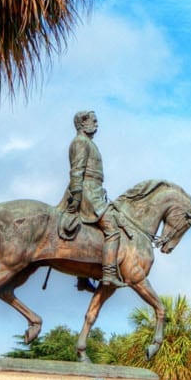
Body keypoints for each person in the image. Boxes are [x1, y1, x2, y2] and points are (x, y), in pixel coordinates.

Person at [57, 110, 129, 287]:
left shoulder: (87, 142)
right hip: (87, 192)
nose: (97, 125)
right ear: (82, 123)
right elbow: (77, 171)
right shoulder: (81, 142)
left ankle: (83, 277)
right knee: (112, 230)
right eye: (93, 121)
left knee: (90, 231)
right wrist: (76, 196)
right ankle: (109, 273)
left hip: (94, 191)